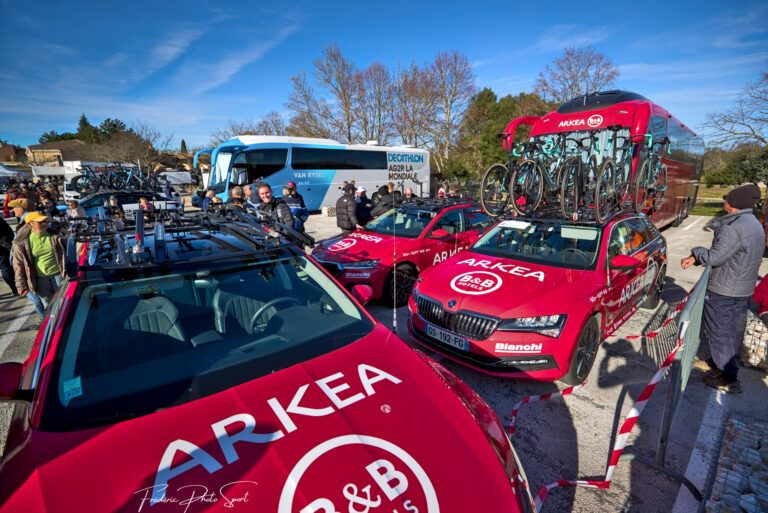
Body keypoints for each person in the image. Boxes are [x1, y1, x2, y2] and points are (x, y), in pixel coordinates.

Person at [681, 183, 765, 393]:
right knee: (730, 332)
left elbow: (714, 257)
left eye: (727, 197)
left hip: (724, 290)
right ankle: (717, 363)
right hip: (742, 289)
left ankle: (728, 378)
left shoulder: (733, 226)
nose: (724, 200)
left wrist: (695, 251)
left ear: (733, 204)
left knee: (718, 333)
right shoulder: (753, 223)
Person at [12, 212, 66, 319]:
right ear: (30, 224)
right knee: (49, 306)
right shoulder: (21, 243)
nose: (44, 223)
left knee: (63, 302)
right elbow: (18, 266)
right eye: (40, 222)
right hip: (40, 279)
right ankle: (53, 328)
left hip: (59, 275)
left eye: (45, 220)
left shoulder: (55, 236)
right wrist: (21, 285)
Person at [0, 214, 17, 296]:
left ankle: (14, 288)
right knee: (6, 269)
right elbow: (9, 232)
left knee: (6, 270)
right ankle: (14, 288)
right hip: (3, 248)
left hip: (3, 249)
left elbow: (9, 233)